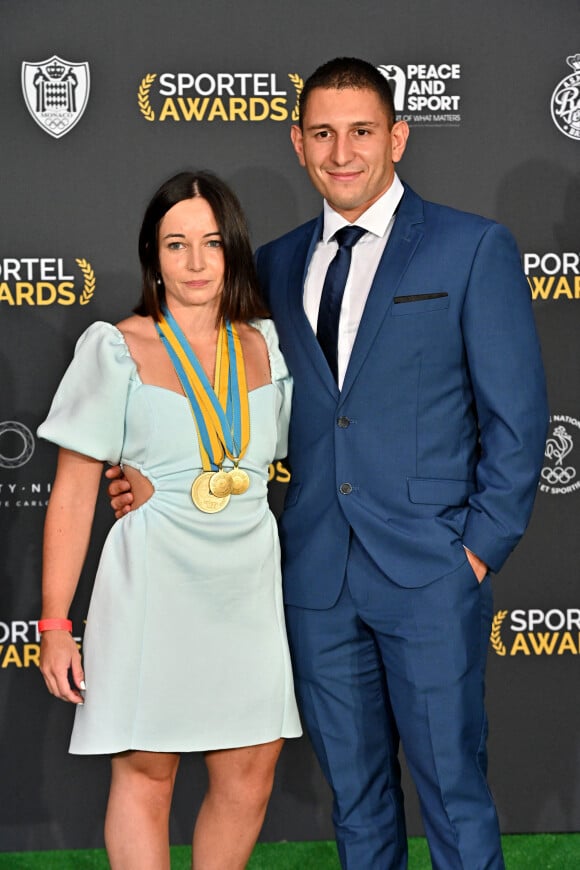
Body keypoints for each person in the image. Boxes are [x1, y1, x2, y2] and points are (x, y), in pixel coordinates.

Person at [109, 58, 549, 869]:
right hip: (314, 576)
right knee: (357, 801)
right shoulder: (269, 266)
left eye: (361, 131)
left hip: (429, 570)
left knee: (454, 793)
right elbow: (214, 390)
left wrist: (475, 552)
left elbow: (518, 424)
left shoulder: (471, 247)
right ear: (298, 143)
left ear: (399, 137)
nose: (341, 151)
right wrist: (154, 475)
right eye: (322, 133)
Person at [37, 170, 301, 870]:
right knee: (147, 773)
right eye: (175, 244)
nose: (194, 262)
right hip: (152, 583)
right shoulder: (116, 347)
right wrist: (56, 624)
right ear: (153, 256)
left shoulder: (270, 348)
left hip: (246, 586)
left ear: (233, 251)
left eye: (211, 243)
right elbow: (71, 493)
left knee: (249, 771)